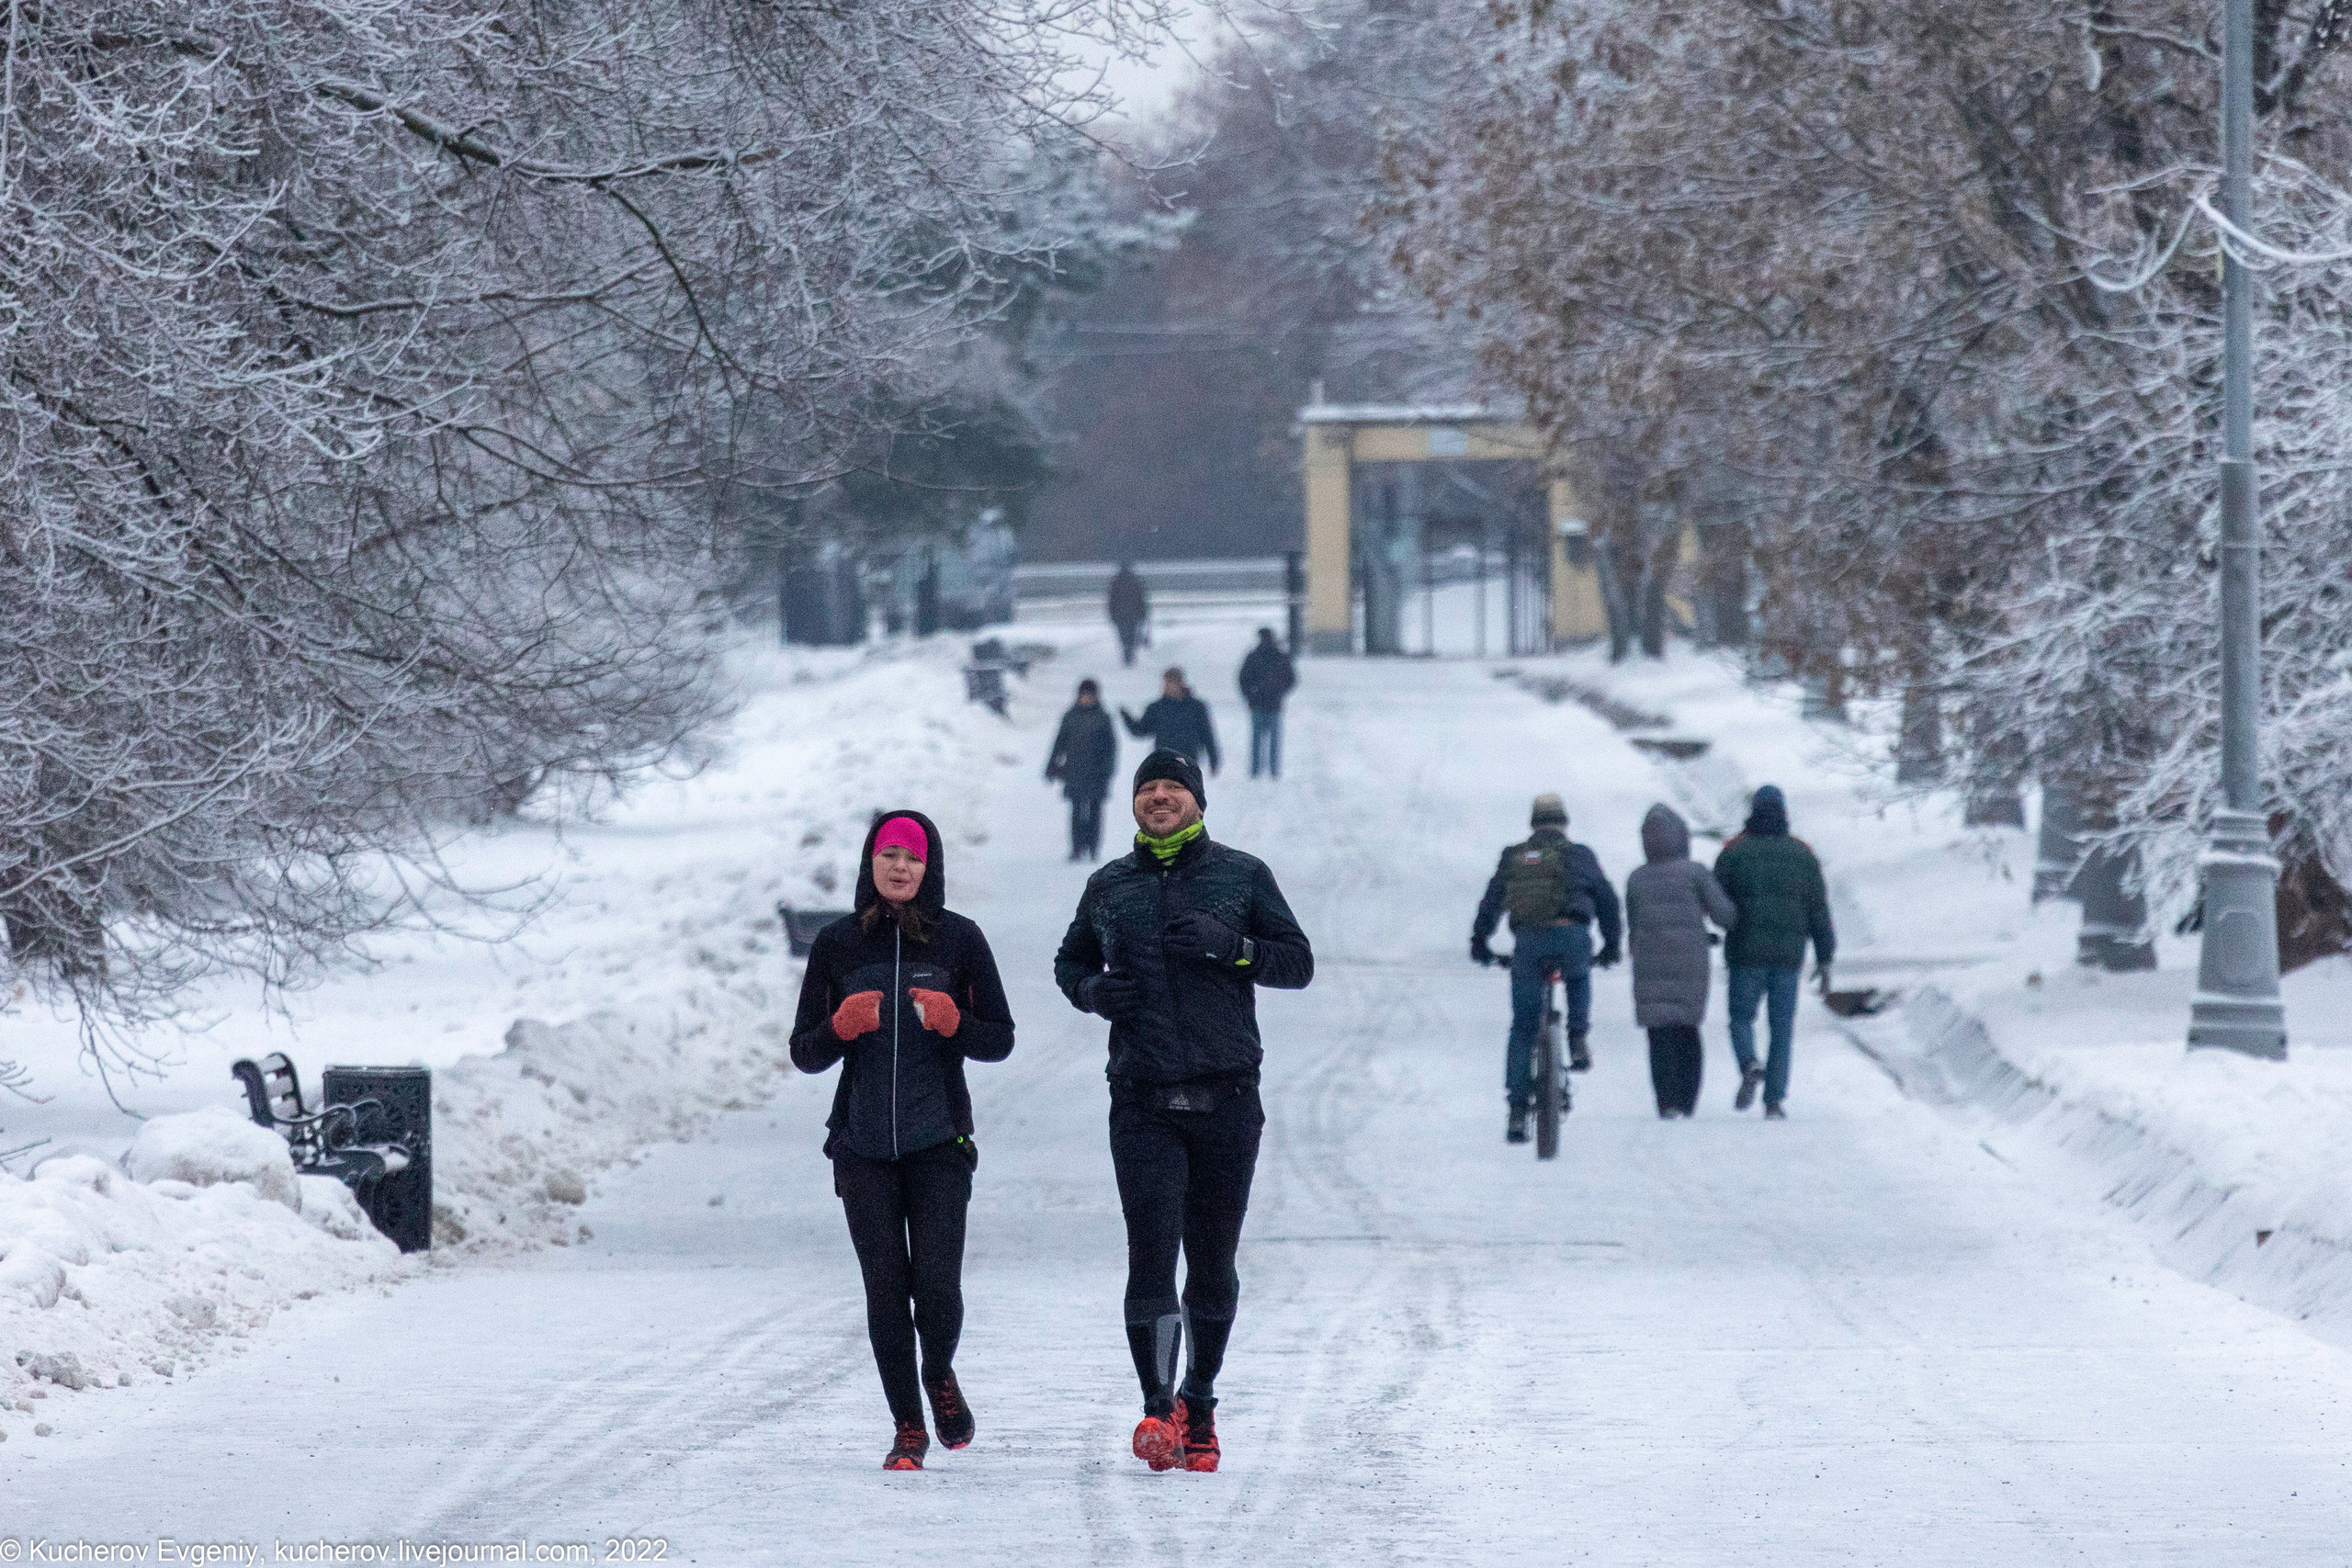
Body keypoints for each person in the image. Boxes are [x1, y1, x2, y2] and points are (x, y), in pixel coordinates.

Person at [1053, 748, 1313, 1474]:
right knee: (1150, 1255)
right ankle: (1155, 1405)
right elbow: (1069, 963)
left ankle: (1200, 1401)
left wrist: (1231, 947)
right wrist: (1093, 992)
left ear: (1198, 801)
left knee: (1213, 1261)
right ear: (1133, 802)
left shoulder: (1241, 875)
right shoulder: (1109, 887)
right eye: (1148, 788)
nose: (1160, 797)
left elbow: (1297, 961)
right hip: (1142, 1099)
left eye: (1173, 787)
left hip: (1228, 1097)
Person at [788, 811, 1016, 1471]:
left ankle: (939, 1370)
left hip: (938, 1139)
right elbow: (805, 1051)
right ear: (870, 863)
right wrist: (838, 1027)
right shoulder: (837, 943)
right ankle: (908, 1426)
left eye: (911, 857)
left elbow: (999, 1037)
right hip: (862, 1146)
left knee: (937, 1289)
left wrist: (955, 1021)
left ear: (928, 868)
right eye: (887, 854)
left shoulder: (960, 940)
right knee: (885, 1289)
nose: (899, 866)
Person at [1470, 792, 1622, 1144]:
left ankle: (1518, 1113)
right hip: (1572, 937)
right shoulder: (1580, 855)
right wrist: (1612, 945)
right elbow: (1607, 901)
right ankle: (1578, 1036)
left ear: (1533, 824)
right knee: (1579, 976)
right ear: (1564, 823)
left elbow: (1492, 901)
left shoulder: (1515, 856)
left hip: (1528, 944)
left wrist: (1480, 943)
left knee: (1523, 1028)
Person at [1713, 784, 1835, 1120]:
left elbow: (1715, 901)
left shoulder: (1734, 853)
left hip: (1745, 952)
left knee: (1741, 1018)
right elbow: (1818, 910)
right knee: (1781, 1027)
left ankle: (1749, 1062)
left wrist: (1725, 925)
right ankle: (1774, 1100)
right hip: (1788, 955)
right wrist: (1825, 958)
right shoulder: (1803, 855)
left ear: (1753, 810)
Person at [1624, 803, 1737, 1119]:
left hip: (1649, 964)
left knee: (1658, 1035)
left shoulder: (1637, 878)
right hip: (1690, 963)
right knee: (1687, 1030)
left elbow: (1633, 924)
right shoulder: (1695, 873)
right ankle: (1687, 1101)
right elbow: (1724, 915)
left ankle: (1667, 1102)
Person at [1046, 679, 1119, 860]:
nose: (1086, 699)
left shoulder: (1103, 718)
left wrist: (1107, 770)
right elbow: (1060, 742)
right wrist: (1052, 765)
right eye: (1083, 695)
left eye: (1089, 695)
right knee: (1076, 811)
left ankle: (1093, 848)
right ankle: (1077, 848)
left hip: (1097, 773)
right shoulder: (1070, 717)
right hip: (1074, 772)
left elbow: (1111, 747)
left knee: (1095, 812)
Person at [1121, 667, 1221, 774]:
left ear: (1180, 683)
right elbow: (1140, 730)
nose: (1167, 687)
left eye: (1171, 683)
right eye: (1165, 683)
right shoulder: (1156, 708)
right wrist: (1126, 717)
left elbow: (1206, 734)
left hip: (1188, 761)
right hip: (1163, 762)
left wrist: (1213, 759)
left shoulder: (1196, 707)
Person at [1236, 627, 1297, 780]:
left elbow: (1242, 679)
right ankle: (1273, 771)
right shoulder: (1280, 657)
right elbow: (1291, 679)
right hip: (1274, 705)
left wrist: (1250, 695)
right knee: (1273, 741)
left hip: (1258, 704)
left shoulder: (1253, 657)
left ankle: (1256, 771)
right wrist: (1280, 692)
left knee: (1257, 740)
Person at [1108, 561, 1149, 667]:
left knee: (1124, 636)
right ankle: (1130, 655)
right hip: (1133, 615)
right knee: (1131, 636)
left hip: (1120, 615)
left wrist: (1112, 615)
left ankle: (1127, 655)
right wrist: (1143, 614)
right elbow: (1141, 599)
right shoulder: (1136, 581)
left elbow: (1111, 601)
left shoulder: (1115, 582)